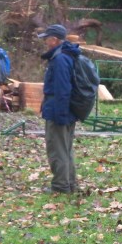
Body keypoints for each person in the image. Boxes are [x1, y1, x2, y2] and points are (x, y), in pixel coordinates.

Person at [38, 24, 80, 194]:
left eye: (47, 38)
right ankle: (70, 183)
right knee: (66, 148)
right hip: (65, 110)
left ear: (54, 40)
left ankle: (61, 186)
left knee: (57, 149)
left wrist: (60, 114)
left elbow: (62, 89)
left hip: (59, 110)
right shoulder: (66, 56)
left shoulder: (60, 59)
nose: (45, 42)